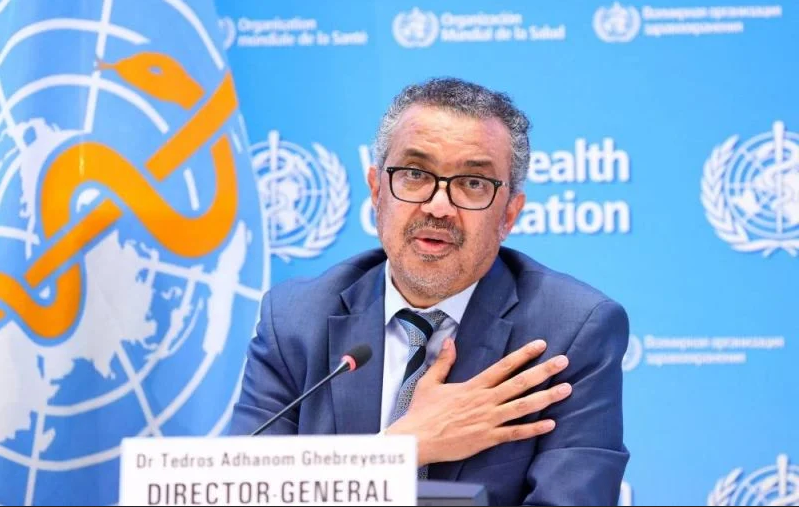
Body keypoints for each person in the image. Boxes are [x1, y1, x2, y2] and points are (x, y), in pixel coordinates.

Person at [229, 77, 630, 506]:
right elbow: (243, 493)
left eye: (472, 183)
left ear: (509, 215)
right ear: (376, 191)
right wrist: (401, 448)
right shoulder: (294, 320)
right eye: (415, 174)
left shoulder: (571, 331)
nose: (439, 206)